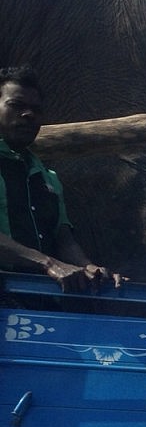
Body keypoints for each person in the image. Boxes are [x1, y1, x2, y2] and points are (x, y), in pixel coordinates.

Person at [0, 65, 121, 292]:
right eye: (16, 105)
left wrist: (88, 267)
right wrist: (49, 264)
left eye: (36, 109)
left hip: (44, 298)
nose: (28, 114)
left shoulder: (48, 178)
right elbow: (53, 262)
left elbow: (63, 239)